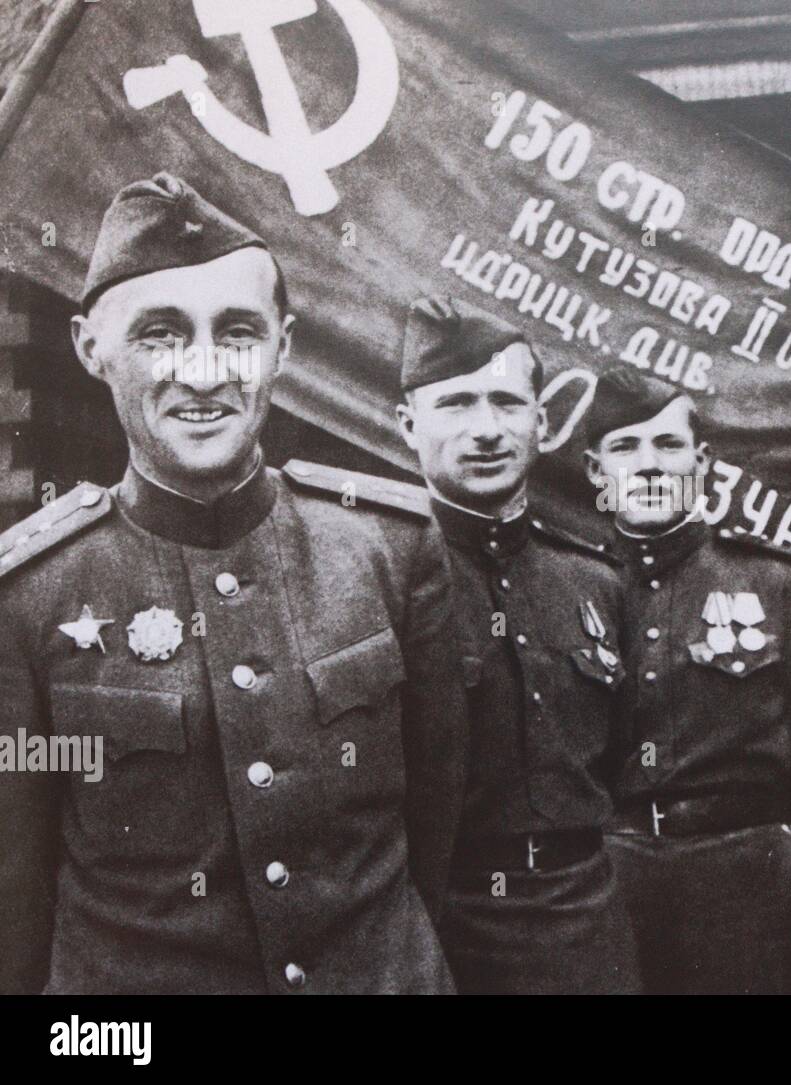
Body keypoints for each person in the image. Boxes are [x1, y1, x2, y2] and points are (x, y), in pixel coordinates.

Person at [0, 173, 467, 994]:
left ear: (283, 346)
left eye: (239, 332)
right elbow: (15, 888)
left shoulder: (392, 548)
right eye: (160, 333)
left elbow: (437, 822)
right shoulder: (29, 595)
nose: (206, 370)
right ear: (88, 348)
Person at [395, 295, 639, 994]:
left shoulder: (593, 580)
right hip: (442, 924)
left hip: (586, 921)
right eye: (457, 404)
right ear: (409, 425)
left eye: (507, 403)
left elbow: (619, 760)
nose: (486, 430)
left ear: (540, 422)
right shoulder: (380, 573)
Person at [584, 367, 791, 994]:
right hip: (613, 876)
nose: (649, 467)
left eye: (668, 445)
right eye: (624, 448)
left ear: (703, 460)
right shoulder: (573, 588)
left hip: (750, 874)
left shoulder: (777, 584)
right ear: (594, 472)